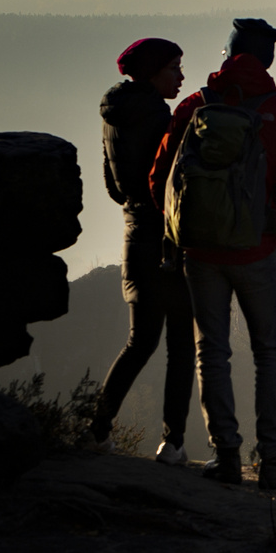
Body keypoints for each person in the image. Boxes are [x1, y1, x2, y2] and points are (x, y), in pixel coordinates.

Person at [149, 18, 276, 490]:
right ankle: (274, 462)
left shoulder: (194, 106)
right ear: (267, 61)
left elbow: (160, 177)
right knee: (269, 353)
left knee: (212, 353)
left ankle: (226, 458)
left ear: (226, 56)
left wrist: (181, 230)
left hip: (201, 253)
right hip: (258, 250)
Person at [85, 37, 196, 464]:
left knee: (140, 341)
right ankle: (173, 443)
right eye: (174, 68)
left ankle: (97, 429)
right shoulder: (160, 117)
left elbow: (114, 188)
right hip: (167, 236)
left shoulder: (111, 115)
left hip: (134, 234)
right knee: (181, 343)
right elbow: (173, 182)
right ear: (152, 72)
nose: (181, 77)